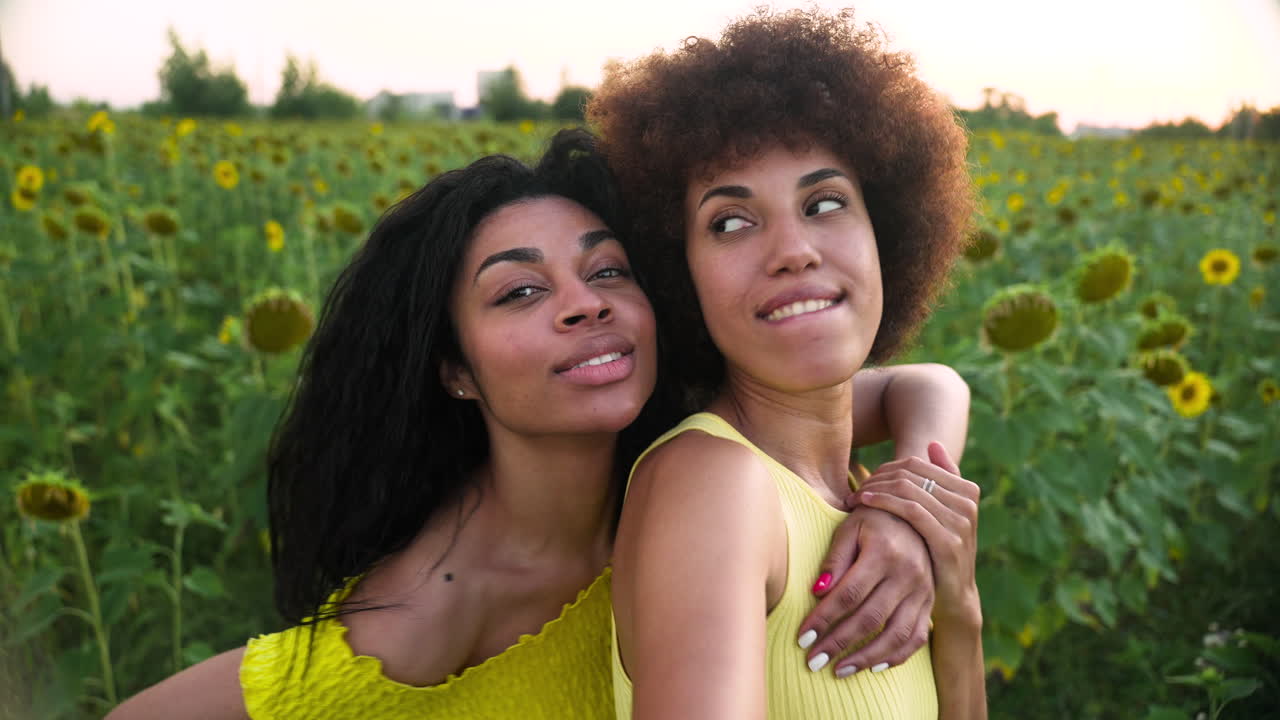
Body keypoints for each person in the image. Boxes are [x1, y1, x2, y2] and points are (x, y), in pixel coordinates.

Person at [107, 129, 969, 719]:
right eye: (521, 292)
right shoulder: (436, 609)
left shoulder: (678, 437)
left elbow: (919, 383)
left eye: (608, 271)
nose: (583, 307)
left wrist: (908, 514)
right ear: (454, 371)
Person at [591, 8, 985, 719]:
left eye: (825, 202)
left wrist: (955, 602)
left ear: (886, 232)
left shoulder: (842, 481)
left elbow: (931, 381)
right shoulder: (715, 484)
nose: (794, 250)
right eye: (731, 222)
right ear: (676, 273)